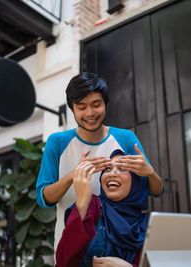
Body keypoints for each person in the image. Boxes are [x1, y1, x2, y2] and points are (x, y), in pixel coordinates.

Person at [36, 72, 163, 251]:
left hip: (119, 248)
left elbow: (157, 191)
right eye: (81, 107)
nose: (90, 113)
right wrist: (74, 175)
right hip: (73, 249)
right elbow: (44, 198)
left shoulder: (126, 138)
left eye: (96, 105)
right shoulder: (57, 142)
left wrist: (149, 172)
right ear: (72, 108)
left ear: (105, 103)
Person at [56, 149, 148, 267]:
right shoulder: (93, 206)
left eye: (122, 169)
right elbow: (64, 262)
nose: (112, 174)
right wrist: (83, 200)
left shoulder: (148, 224)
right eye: (107, 169)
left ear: (137, 180)